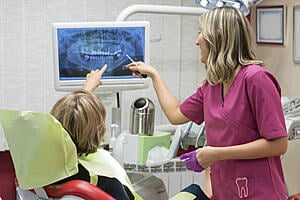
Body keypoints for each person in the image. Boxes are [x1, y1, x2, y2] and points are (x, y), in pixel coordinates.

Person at [126, 6, 288, 200]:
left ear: (217, 36)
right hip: (225, 191)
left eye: (201, 32)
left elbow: (278, 144)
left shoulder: (256, 78)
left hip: (259, 193)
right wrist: (154, 75)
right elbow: (176, 115)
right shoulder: (212, 85)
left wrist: (215, 154)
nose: (197, 41)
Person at [51, 64, 142, 200]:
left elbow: (72, 117)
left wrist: (87, 90)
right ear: (99, 129)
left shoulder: (51, 170)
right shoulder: (108, 180)